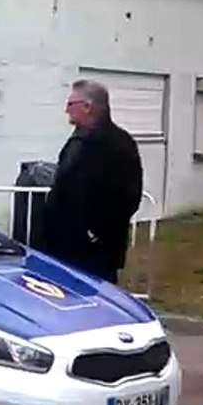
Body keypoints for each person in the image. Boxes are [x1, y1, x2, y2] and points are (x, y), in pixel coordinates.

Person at [37, 79, 143, 284]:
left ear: (87, 107)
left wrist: (96, 233)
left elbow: (128, 195)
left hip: (94, 252)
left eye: (71, 104)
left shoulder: (117, 144)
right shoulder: (78, 140)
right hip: (62, 245)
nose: (66, 110)